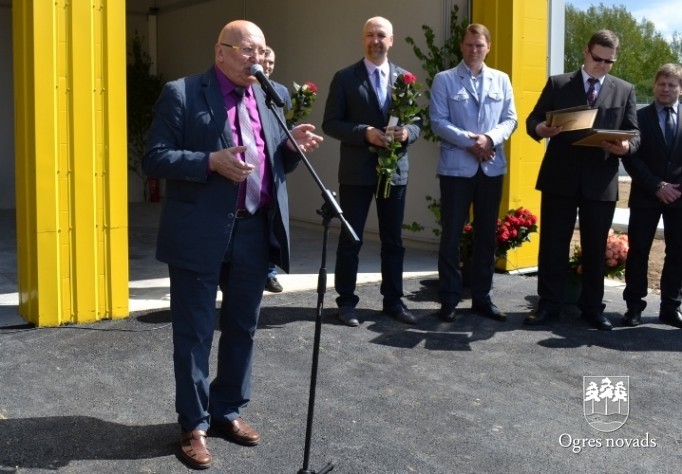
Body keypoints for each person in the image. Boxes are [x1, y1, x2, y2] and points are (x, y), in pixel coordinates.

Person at [143, 20, 323, 469]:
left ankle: (227, 410)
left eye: (261, 51)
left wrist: (291, 150)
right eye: (246, 50)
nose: (255, 60)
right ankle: (193, 425)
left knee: (243, 326)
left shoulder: (270, 94)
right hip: (198, 232)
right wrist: (209, 162)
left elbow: (272, 161)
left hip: (254, 229)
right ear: (220, 51)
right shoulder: (182, 93)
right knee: (194, 333)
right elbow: (155, 157)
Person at [524, 29, 640, 330]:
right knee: (553, 244)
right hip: (560, 177)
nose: (602, 65)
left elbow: (635, 133)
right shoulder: (559, 83)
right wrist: (541, 130)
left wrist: (626, 147)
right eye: (598, 59)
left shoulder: (624, 89)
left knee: (595, 247)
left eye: (609, 61)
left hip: (600, 180)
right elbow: (533, 119)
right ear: (586, 52)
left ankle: (592, 308)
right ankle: (549, 305)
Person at [322, 16, 422, 327]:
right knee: (351, 239)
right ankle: (346, 302)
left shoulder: (405, 79)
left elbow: (418, 122)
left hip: (394, 173)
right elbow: (330, 123)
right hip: (357, 172)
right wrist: (364, 132)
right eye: (369, 35)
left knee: (393, 241)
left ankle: (393, 301)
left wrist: (407, 133)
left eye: (381, 35)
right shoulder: (344, 78)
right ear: (363, 39)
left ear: (391, 40)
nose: (375, 41)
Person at [429, 23, 518, 323]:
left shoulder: (501, 79)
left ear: (488, 47)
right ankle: (449, 299)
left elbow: (510, 119)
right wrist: (473, 142)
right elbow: (438, 121)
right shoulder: (445, 79)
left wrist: (489, 139)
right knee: (451, 235)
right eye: (469, 44)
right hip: (456, 169)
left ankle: (482, 298)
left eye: (479, 45)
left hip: (490, 168)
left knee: (486, 236)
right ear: (462, 46)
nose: (474, 50)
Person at [621, 63, 682, 327]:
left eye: (672, 85)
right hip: (645, 195)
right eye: (661, 84)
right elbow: (631, 158)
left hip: (679, 197)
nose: (665, 89)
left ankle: (671, 307)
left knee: (678, 253)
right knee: (638, 252)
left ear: (680, 88)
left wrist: (675, 189)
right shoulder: (638, 117)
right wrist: (657, 186)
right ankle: (634, 307)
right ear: (655, 85)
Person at [261, 46, 293, 293]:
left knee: (272, 220)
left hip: (274, 164)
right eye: (265, 60)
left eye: (272, 62)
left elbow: (286, 125)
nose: (268, 65)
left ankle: (269, 272)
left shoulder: (280, 91)